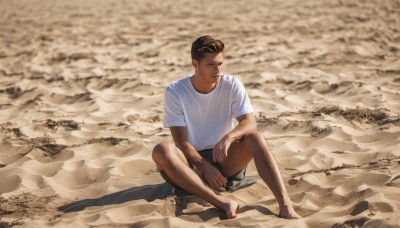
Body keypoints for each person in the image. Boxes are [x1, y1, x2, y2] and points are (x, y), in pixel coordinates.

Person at [152, 35, 301, 219]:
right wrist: (205, 167)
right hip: (191, 166)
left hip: (225, 159)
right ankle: (222, 202)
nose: (217, 70)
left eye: (220, 64)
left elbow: (249, 122)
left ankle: (286, 206)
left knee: (255, 137)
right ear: (195, 64)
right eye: (211, 65)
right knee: (162, 150)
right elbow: (181, 142)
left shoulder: (232, 84)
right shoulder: (175, 91)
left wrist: (228, 138)